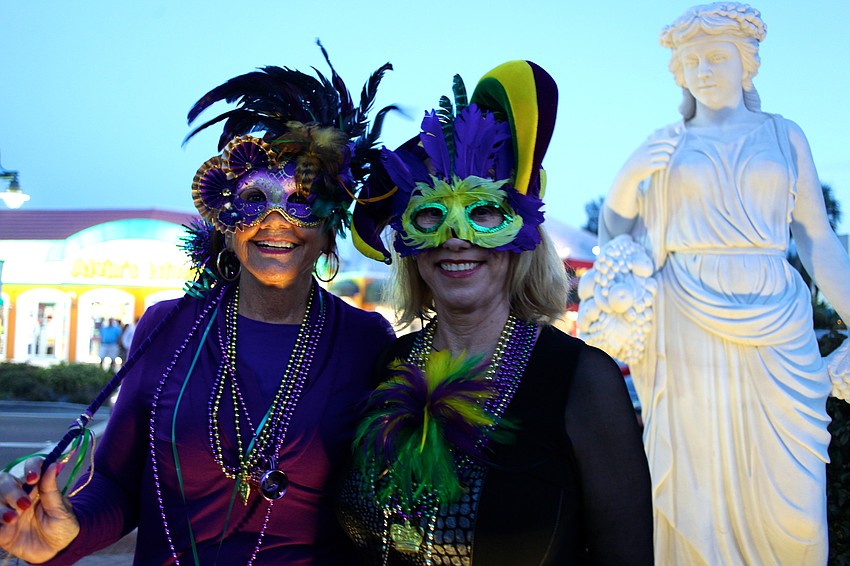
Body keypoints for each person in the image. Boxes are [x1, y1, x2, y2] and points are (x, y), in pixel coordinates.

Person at [0, 45, 396, 565]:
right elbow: (118, 480)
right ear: (226, 223)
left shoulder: (365, 342)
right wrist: (65, 533)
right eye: (254, 199)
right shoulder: (170, 326)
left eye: (302, 201)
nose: (276, 221)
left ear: (330, 228)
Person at [339, 60, 654, 564]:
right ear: (410, 246)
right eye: (430, 214)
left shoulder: (581, 381)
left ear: (521, 236)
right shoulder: (388, 367)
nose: (455, 238)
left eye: (483, 211)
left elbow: (626, 555)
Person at [585, 3, 850, 564]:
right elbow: (615, 237)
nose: (703, 70)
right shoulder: (666, 145)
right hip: (686, 321)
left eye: (716, 57)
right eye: (692, 61)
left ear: (745, 63)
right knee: (698, 494)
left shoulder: (784, 135)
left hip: (777, 321)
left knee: (799, 512)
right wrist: (630, 173)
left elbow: (817, 240)